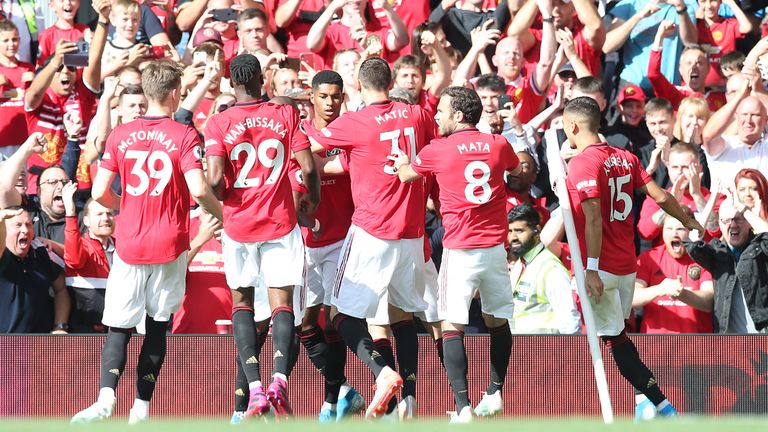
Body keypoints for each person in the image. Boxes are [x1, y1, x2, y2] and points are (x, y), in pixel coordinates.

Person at [70, 60, 223, 425]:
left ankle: (106, 397)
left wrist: (126, 206)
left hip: (130, 245)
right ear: (174, 93)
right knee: (156, 325)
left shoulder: (121, 135)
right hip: (170, 244)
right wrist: (222, 214)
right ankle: (141, 408)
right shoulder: (185, 134)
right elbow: (200, 189)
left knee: (120, 327)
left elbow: (101, 190)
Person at [304, 57, 435, 420]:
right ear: (391, 81)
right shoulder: (419, 115)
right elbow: (425, 155)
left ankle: (382, 373)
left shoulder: (356, 122)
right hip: (410, 233)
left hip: (372, 230)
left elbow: (308, 145)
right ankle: (407, 401)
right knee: (402, 316)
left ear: (358, 87)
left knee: (339, 313)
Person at [562, 96, 705, 420]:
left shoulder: (582, 163)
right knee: (617, 337)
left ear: (572, 126)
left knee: (598, 338)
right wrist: (687, 219)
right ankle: (654, 403)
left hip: (600, 267)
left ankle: (642, 404)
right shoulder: (626, 157)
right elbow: (660, 194)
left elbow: (594, 218)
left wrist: (593, 269)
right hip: (627, 266)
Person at [391, 86, 519, 423]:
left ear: (459, 116)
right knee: (497, 320)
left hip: (461, 248)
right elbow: (515, 169)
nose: (436, 116)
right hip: (495, 249)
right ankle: (494, 392)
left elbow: (406, 176)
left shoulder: (438, 149)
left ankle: (463, 407)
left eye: (443, 111)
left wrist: (404, 162)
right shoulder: (498, 144)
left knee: (450, 325)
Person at [205, 53, 320, 419]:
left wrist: (225, 198)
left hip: (239, 226)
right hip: (279, 221)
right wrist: (311, 199)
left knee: (241, 302)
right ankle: (279, 381)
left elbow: (212, 179)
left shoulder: (218, 122)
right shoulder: (284, 115)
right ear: (260, 80)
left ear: (231, 82)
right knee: (281, 302)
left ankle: (254, 389)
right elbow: (308, 166)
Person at [289, 70, 364, 422]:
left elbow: (323, 167)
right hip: (303, 241)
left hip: (341, 237)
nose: (331, 103)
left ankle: (332, 402)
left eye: (336, 96)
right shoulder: (298, 131)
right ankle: (344, 388)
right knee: (304, 323)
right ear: (312, 98)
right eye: (324, 96)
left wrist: (308, 161)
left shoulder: (349, 132)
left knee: (334, 320)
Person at [686, 198, 768, 334]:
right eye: (726, 220)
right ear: (720, 223)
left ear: (748, 222)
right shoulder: (717, 253)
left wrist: (746, 211)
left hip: (763, 340)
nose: (733, 224)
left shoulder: (760, 249)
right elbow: (693, 240)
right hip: (730, 344)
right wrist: (713, 198)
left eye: (739, 219)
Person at [634, 210, 715, 334]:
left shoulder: (702, 257)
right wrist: (660, 289)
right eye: (669, 229)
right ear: (662, 232)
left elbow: (709, 300)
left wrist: (682, 294)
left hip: (696, 346)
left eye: (680, 229)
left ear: (690, 231)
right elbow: (631, 298)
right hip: (655, 345)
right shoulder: (649, 258)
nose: (674, 234)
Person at [507, 203, 580, 335]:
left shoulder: (551, 269)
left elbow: (571, 323)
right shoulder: (520, 264)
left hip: (546, 351)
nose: (513, 237)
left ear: (537, 231)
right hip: (521, 348)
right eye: (510, 231)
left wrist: (569, 353)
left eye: (519, 231)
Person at [0, 207, 70, 334]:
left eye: (29, 224)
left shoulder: (41, 253)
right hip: (4, 344)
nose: (25, 230)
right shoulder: (3, 256)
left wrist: (60, 326)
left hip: (38, 344)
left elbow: (61, 290)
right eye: (18, 225)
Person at [62, 181, 115, 334]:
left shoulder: (122, 248)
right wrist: (71, 213)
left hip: (118, 332)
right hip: (85, 334)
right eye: (99, 214)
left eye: (109, 213)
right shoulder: (82, 246)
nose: (106, 218)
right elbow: (73, 259)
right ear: (86, 221)